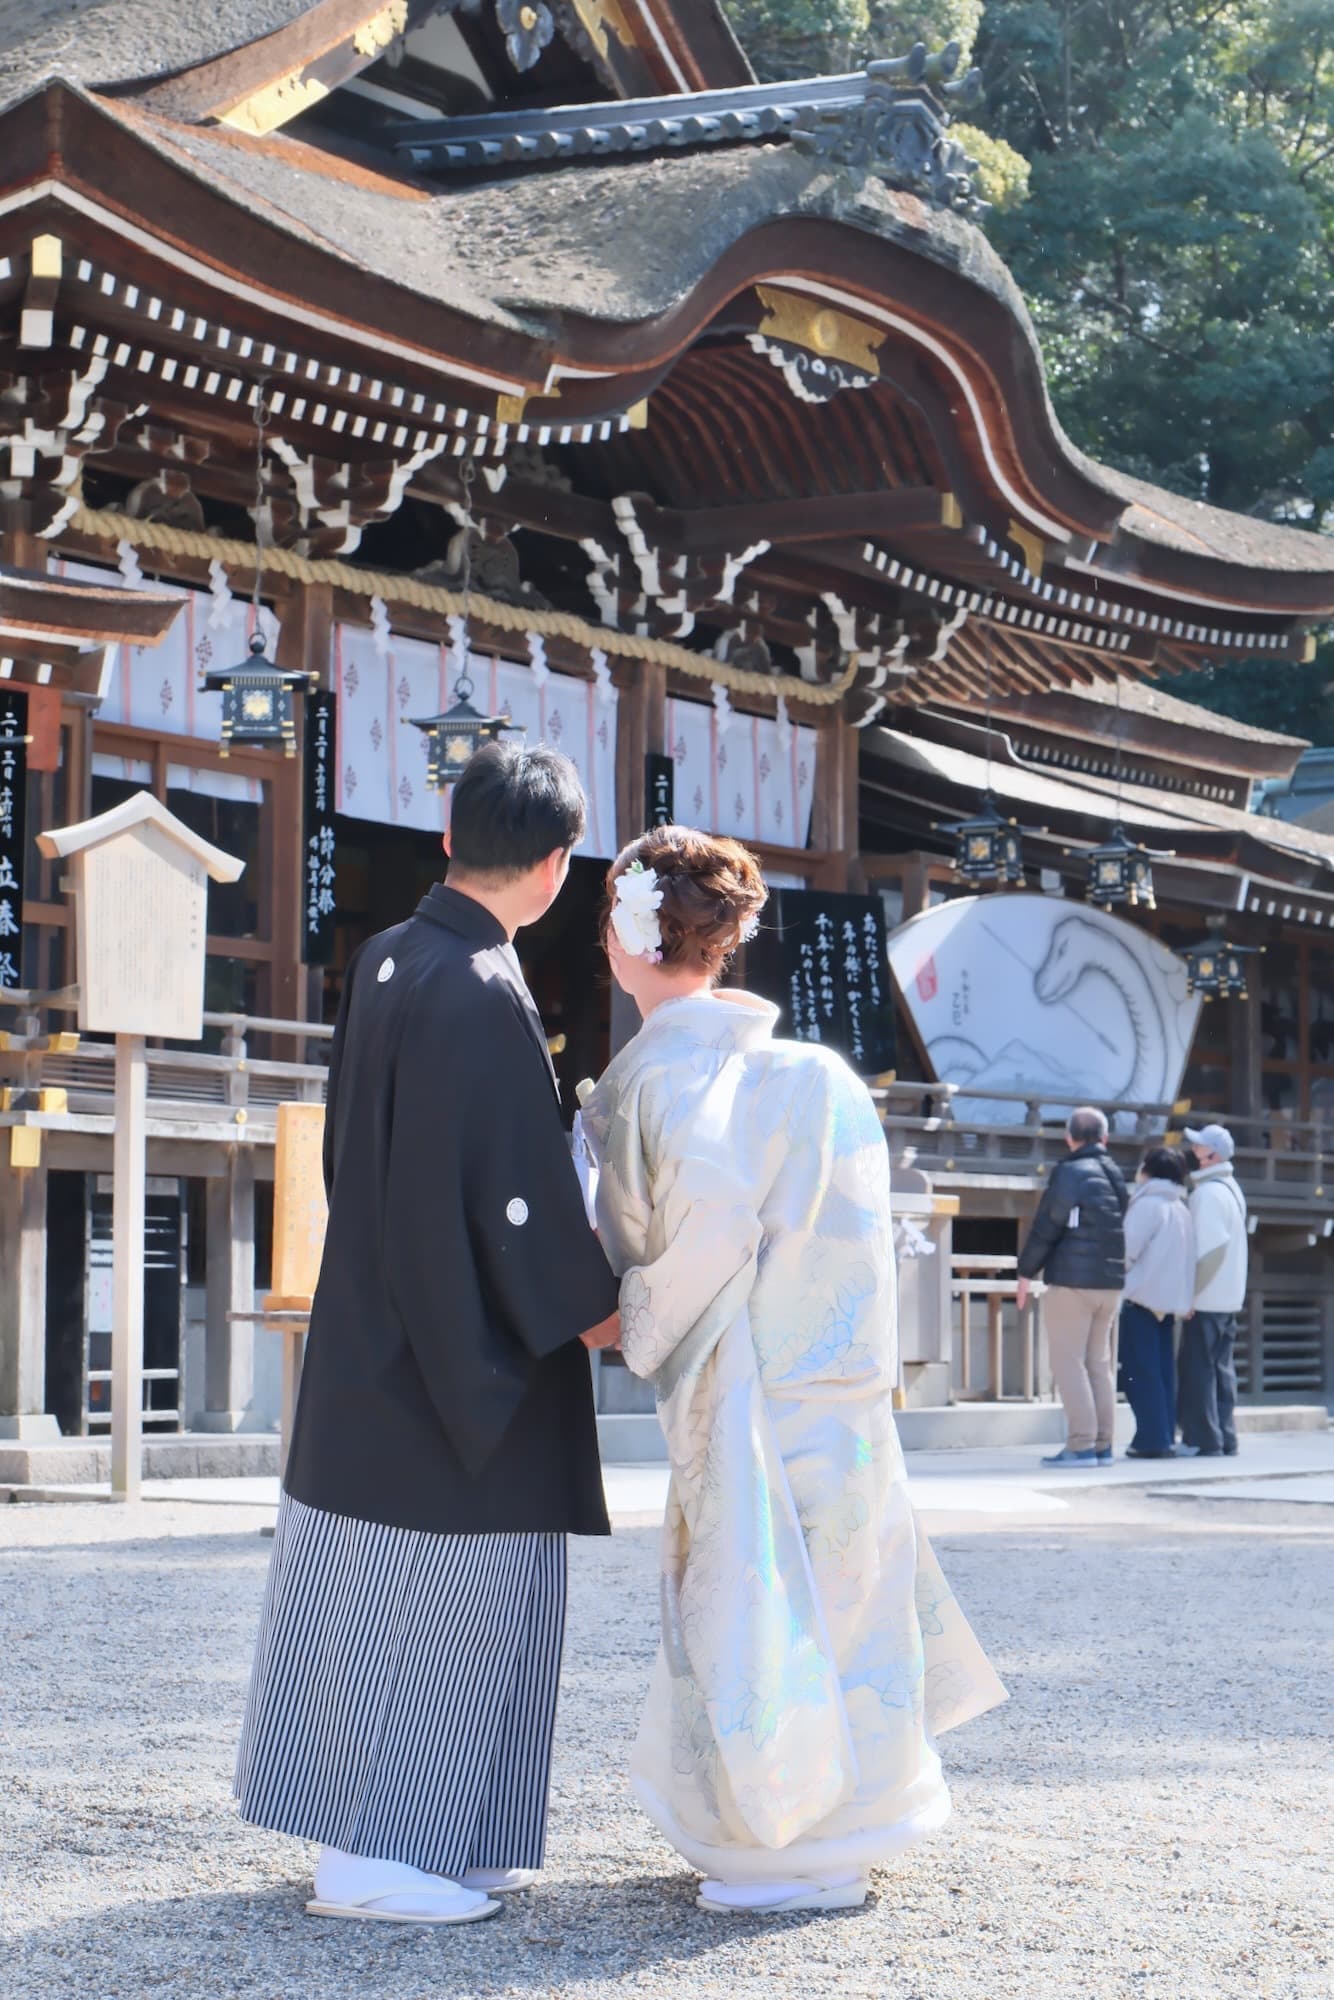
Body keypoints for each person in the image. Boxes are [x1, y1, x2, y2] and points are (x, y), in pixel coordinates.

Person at [578, 827, 1006, 1918]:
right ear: (726, 938)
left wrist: (620, 1317)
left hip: (740, 1388)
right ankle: (848, 1829)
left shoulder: (649, 1085)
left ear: (621, 940)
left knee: (747, 1605)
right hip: (840, 1389)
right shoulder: (818, 1075)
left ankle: (763, 1847)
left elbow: (676, 1238)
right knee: (845, 1600)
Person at [234, 744, 621, 1926]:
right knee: (440, 1605)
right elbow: (510, 1194)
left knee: (390, 1603)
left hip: (378, 1322)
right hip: (455, 1360)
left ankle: (441, 1836)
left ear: (451, 839)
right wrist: (595, 1306)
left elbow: (365, 1159)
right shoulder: (480, 986)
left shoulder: (393, 957)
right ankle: (374, 1856)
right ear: (556, 866)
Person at [1015, 1107, 1128, 1467]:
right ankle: (1103, 1444)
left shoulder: (1070, 1172)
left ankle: (1081, 1443)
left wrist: (1025, 1271)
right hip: (1110, 1282)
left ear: (1069, 1137)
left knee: (1068, 1362)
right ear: (1105, 1138)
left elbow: (1049, 1224)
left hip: (1073, 1282)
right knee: (1099, 1363)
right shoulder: (1115, 1175)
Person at [1118, 1147, 1195, 1459]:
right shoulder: (1181, 1208)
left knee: (1139, 1370)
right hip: (1169, 1301)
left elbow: (1126, 1250)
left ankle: (1151, 1438)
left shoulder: (1147, 1205)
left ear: (1147, 1170)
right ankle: (1162, 1435)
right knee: (1162, 1372)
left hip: (1141, 1296)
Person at [1179, 1123, 1248, 1457]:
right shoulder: (1232, 1188)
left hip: (1207, 1297)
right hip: (1229, 1296)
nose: (1193, 1152)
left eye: (1198, 1148)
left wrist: (1190, 1294)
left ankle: (1204, 1439)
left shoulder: (1207, 1194)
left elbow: (1209, 1252)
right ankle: (1225, 1436)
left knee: (1199, 1371)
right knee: (1221, 1370)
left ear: (1212, 1155)